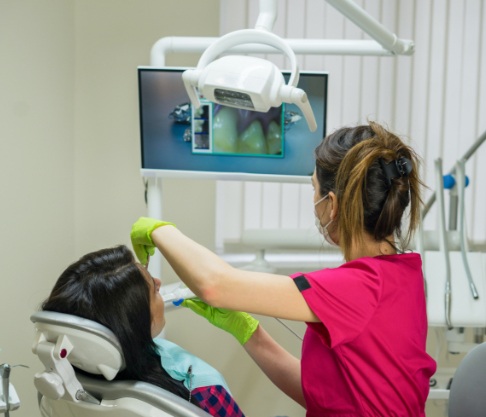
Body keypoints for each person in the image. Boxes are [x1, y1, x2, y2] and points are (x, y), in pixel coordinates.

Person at [131, 121, 437, 417]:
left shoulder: (359, 287)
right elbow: (328, 397)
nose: (313, 201)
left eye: (314, 189)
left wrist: (160, 230)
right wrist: (248, 332)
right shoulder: (403, 274)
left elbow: (215, 285)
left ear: (331, 204)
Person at [40, 245, 247, 417]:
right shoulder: (204, 389)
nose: (159, 282)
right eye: (152, 287)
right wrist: (250, 334)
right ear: (135, 322)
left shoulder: (68, 382)